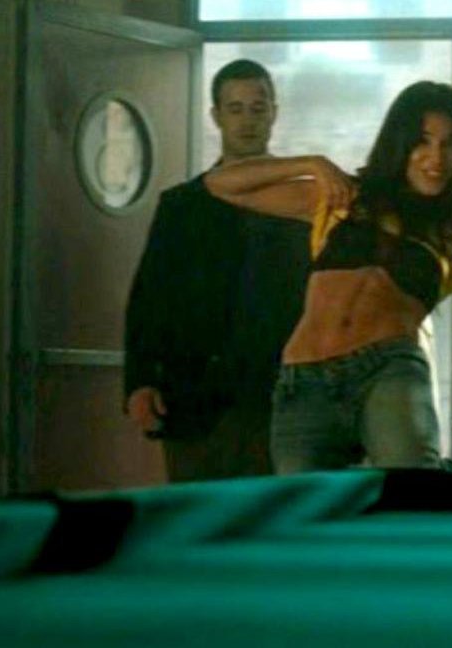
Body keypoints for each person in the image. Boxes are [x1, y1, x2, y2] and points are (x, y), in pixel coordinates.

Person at [204, 81, 452, 474]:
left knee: (410, 491)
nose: (436, 158)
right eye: (423, 142)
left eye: (450, 145)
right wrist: (311, 164)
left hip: (386, 371)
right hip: (303, 380)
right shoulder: (343, 198)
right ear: (401, 144)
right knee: (313, 505)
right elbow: (220, 184)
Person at [123, 59, 349, 481]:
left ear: (274, 113)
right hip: (194, 392)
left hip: (280, 390)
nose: (247, 121)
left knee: (276, 510)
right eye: (235, 108)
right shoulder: (183, 205)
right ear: (216, 116)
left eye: (257, 108)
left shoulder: (306, 205)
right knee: (197, 510)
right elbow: (150, 295)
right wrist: (140, 381)